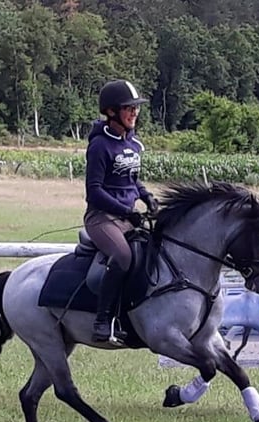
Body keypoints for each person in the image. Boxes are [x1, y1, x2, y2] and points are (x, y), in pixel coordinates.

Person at [84, 79, 159, 344]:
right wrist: (126, 212)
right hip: (101, 217)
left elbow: (131, 179)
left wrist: (147, 197)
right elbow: (94, 191)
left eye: (136, 108)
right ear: (112, 111)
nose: (135, 113)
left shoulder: (134, 144)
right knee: (124, 256)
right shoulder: (99, 146)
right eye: (129, 108)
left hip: (126, 216)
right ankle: (102, 320)